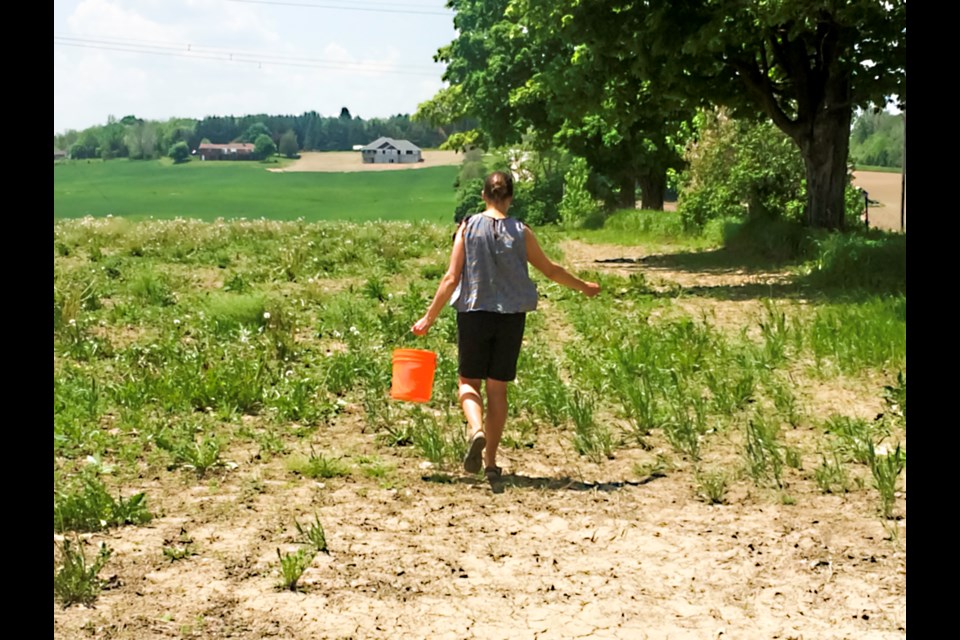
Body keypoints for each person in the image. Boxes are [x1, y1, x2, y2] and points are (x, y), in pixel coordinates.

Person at [411, 171, 601, 478]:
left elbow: (451, 278)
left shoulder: (468, 227)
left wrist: (428, 318)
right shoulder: (521, 230)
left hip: (474, 313)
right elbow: (551, 270)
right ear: (510, 198)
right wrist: (584, 287)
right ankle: (490, 462)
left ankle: (475, 428)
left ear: (484, 196)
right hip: (511, 317)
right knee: (497, 390)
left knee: (468, 383)